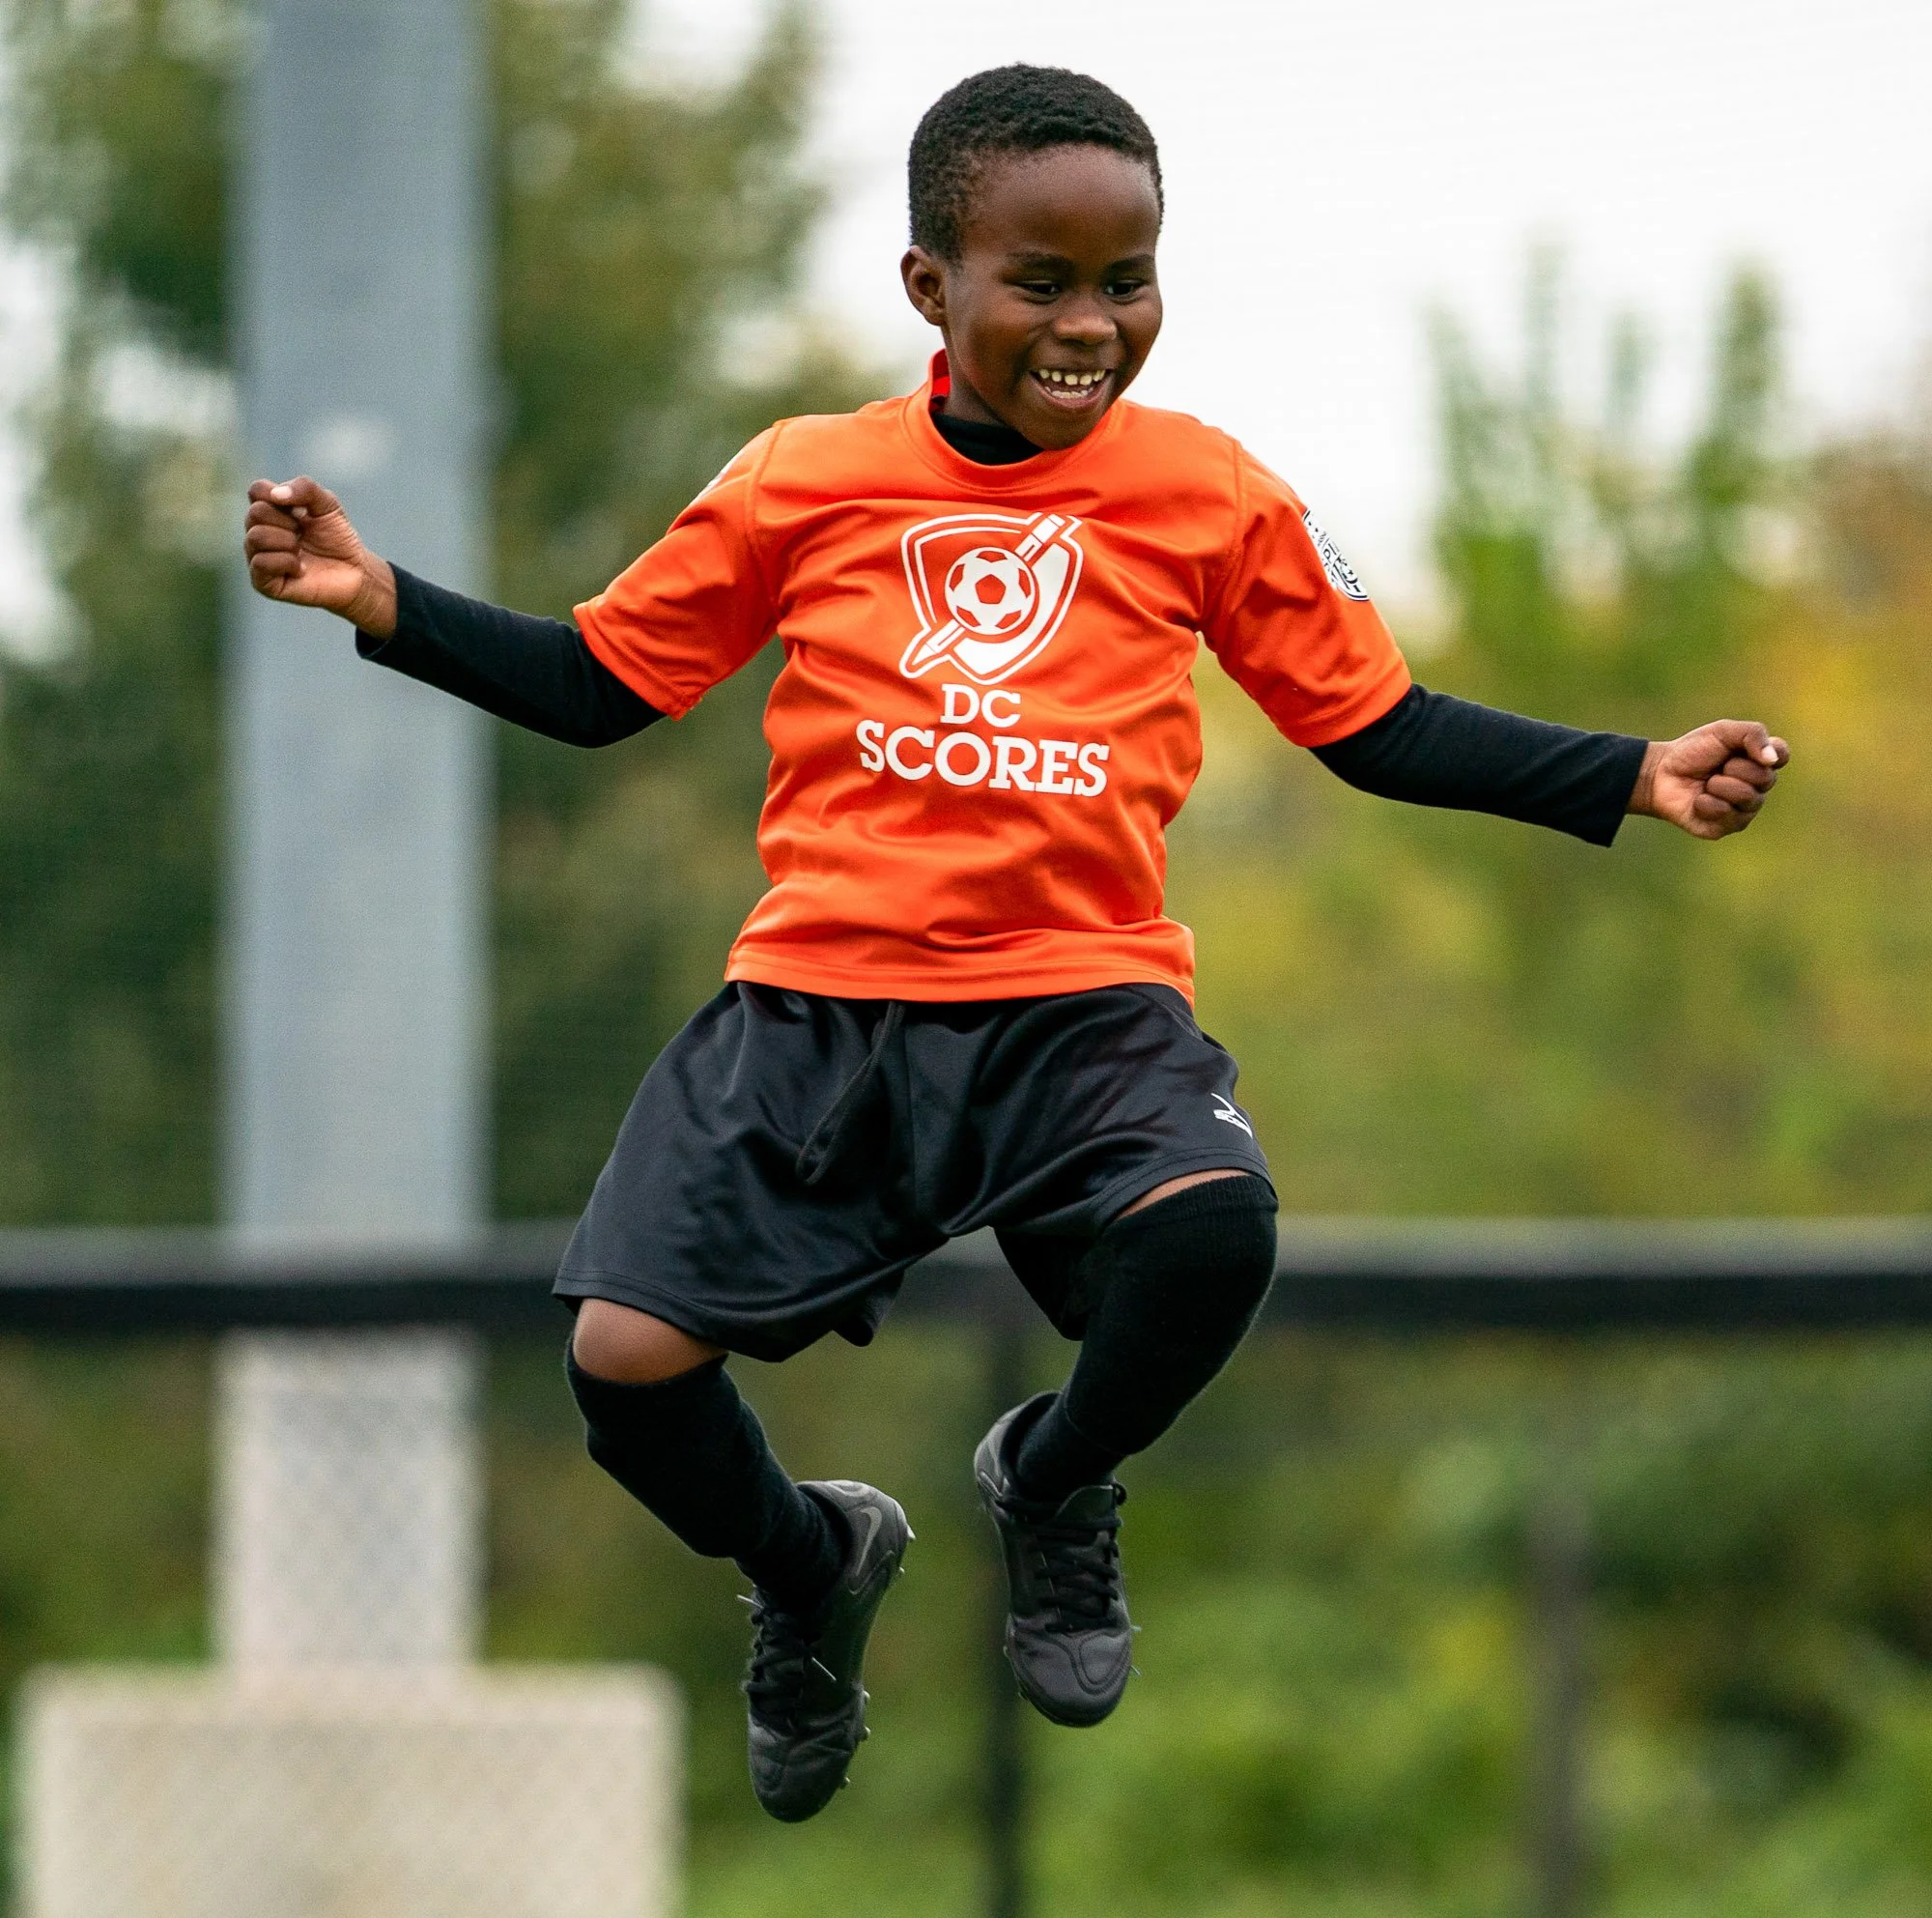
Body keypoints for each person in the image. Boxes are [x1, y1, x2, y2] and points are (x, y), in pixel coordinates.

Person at [242, 64, 1788, 1822]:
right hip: (822, 1010)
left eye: (1124, 281)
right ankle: (812, 1565)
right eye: (1038, 282)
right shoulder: (804, 480)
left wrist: (1636, 775)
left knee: (1216, 1235)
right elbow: (605, 684)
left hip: (1082, 1010)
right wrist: (382, 601)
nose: (1089, 323)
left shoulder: (1209, 494)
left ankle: (1051, 1484)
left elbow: (1379, 725)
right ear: (932, 288)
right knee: (622, 1366)